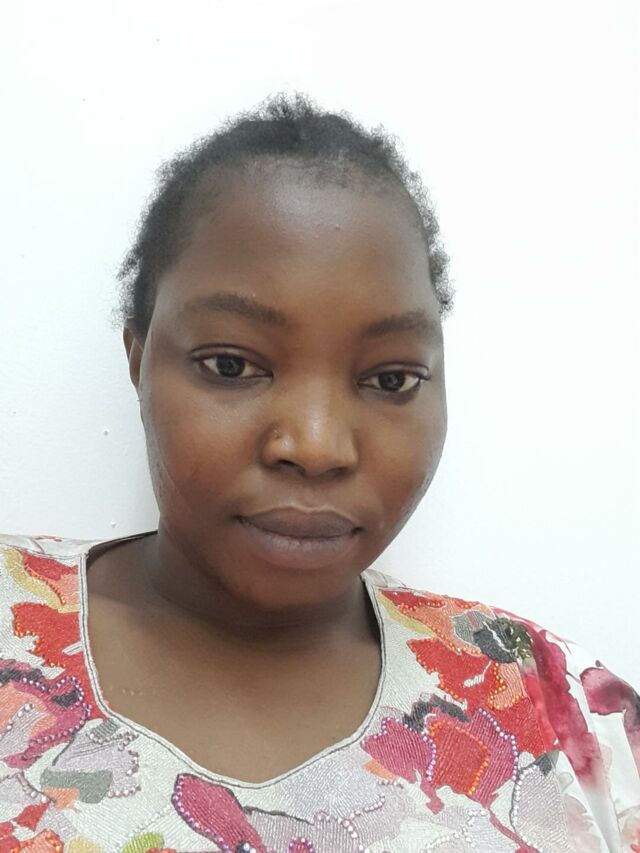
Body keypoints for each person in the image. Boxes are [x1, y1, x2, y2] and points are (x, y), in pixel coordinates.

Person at [0, 92, 638, 852]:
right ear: (138, 359)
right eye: (232, 365)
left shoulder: (559, 710)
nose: (316, 445)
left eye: (391, 379)